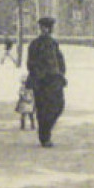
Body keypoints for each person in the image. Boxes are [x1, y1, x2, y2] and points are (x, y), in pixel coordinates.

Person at [25, 16, 67, 148]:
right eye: (43, 27)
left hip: (54, 80)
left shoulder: (54, 43)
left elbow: (59, 60)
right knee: (42, 109)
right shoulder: (35, 44)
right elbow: (31, 63)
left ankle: (46, 131)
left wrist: (60, 73)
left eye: (48, 28)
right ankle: (44, 137)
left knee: (58, 106)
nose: (46, 30)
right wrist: (40, 75)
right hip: (41, 82)